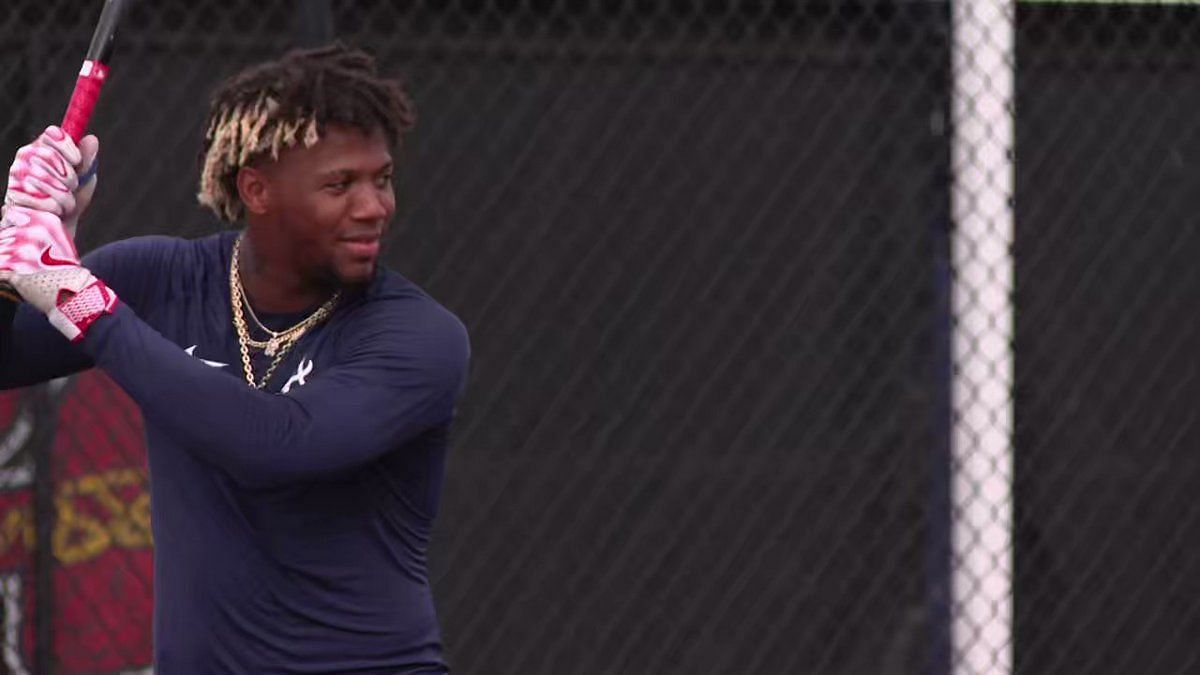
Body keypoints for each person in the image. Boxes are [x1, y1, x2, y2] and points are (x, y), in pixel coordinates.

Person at [0, 44, 469, 673]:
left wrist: (75, 295)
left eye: (380, 178)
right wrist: (21, 248)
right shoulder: (164, 277)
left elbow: (278, 445)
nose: (373, 206)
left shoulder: (416, 335)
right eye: (340, 184)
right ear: (257, 189)